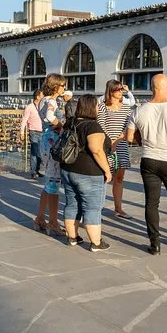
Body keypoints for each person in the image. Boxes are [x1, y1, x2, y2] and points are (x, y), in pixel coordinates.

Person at [126, 74, 167, 255]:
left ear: (151, 88)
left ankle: (155, 243)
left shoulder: (139, 111)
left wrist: (143, 140)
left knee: (151, 203)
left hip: (149, 159)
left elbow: (129, 137)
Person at [61, 94, 113, 252]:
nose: (98, 109)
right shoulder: (92, 126)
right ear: (92, 107)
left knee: (72, 204)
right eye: (97, 106)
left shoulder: (70, 123)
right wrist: (107, 171)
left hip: (68, 169)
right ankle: (96, 242)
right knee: (92, 207)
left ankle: (72, 237)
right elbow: (96, 150)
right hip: (89, 173)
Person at [33, 73, 67, 236]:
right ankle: (53, 222)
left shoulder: (42, 100)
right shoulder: (51, 101)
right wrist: (60, 126)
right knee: (54, 182)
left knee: (49, 182)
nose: (64, 88)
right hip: (53, 141)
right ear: (55, 86)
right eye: (62, 85)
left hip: (45, 140)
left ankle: (40, 218)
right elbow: (49, 116)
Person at [97, 80, 133, 219]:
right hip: (106, 145)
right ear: (111, 91)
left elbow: (129, 126)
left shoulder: (126, 108)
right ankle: (96, 209)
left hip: (121, 145)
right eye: (118, 89)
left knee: (119, 177)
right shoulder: (103, 107)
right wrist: (110, 142)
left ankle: (119, 208)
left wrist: (118, 141)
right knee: (103, 177)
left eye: (121, 89)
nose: (120, 92)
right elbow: (101, 125)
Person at [20, 89, 44, 180]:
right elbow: (24, 120)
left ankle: (38, 170)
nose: (43, 97)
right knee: (34, 152)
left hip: (43, 132)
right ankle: (33, 172)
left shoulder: (43, 106)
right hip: (33, 132)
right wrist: (22, 132)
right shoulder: (29, 107)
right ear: (37, 97)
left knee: (41, 153)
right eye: (42, 95)